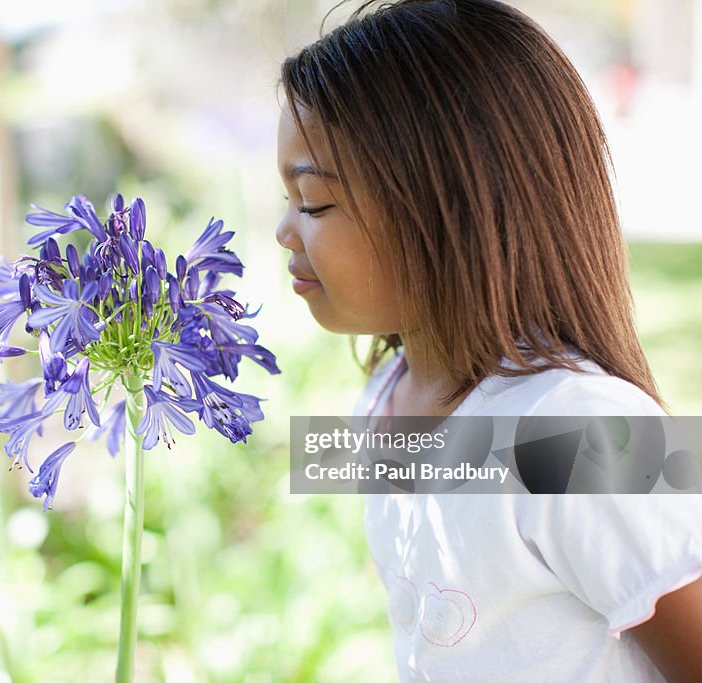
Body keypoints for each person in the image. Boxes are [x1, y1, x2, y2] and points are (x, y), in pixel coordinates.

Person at [274, 0, 702, 680]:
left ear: (451, 208)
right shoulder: (386, 395)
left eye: (315, 203)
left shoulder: (583, 432)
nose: (284, 231)